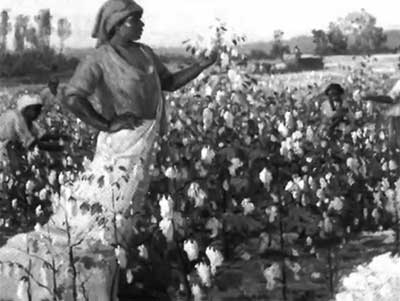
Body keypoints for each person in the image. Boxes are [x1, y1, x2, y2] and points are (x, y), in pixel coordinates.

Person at [0, 0, 218, 299]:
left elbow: (168, 82)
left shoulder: (145, 53)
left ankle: (118, 274)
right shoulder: (99, 58)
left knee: (127, 210)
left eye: (140, 20)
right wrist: (105, 123)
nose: (141, 25)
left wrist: (201, 66)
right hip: (122, 145)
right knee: (110, 209)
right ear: (116, 25)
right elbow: (75, 97)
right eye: (134, 21)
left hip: (146, 139)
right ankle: (97, 276)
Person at [0, 93, 64, 171]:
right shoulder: (17, 118)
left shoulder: (28, 120)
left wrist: (63, 137)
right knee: (16, 166)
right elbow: (31, 143)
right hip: (4, 147)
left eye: (39, 110)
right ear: (26, 109)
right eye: (36, 109)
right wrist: (57, 147)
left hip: (11, 147)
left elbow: (42, 136)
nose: (38, 113)